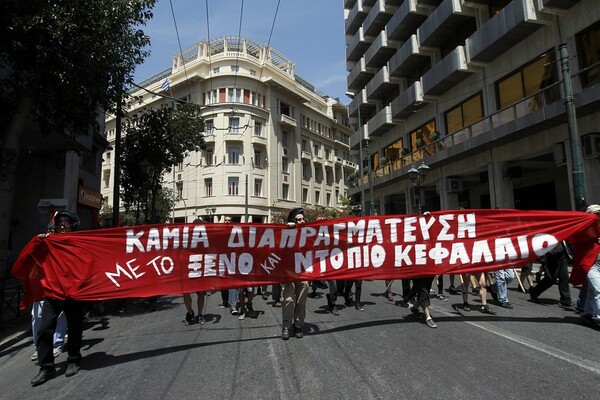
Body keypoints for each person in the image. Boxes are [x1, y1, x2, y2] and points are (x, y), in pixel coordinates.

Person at [31, 211, 85, 386]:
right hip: (53, 293)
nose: (63, 225)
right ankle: (46, 367)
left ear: (73, 225)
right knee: (44, 329)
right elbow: (33, 257)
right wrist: (40, 241)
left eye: (67, 223)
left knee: (75, 328)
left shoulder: (80, 243)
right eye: (60, 222)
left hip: (74, 293)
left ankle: (74, 359)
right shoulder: (47, 241)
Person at [30, 222, 68, 362]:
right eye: (52, 229)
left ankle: (57, 344)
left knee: (60, 316)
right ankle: (38, 347)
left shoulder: (64, 243)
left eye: (57, 229)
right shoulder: (42, 242)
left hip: (59, 285)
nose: (54, 232)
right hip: (41, 285)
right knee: (37, 316)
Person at [281, 208, 309, 340]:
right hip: (288, 272)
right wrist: (288, 230)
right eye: (298, 219)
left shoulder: (309, 233)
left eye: (303, 219)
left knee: (301, 301)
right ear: (292, 221)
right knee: (288, 300)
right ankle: (286, 325)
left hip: (304, 272)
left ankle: (298, 325)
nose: (302, 221)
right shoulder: (285, 233)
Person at [529, 240, 573, 307]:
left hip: (561, 255)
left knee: (564, 278)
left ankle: (566, 300)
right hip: (550, 256)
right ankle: (534, 293)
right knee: (550, 279)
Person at [580, 204, 600, 327]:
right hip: (591, 265)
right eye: (596, 214)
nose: (598, 216)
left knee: (592, 292)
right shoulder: (584, 228)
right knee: (599, 290)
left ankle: (587, 313)